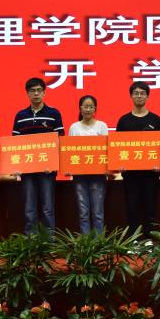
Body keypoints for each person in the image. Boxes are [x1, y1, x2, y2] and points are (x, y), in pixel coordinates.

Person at [11, 77, 64, 234]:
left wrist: (53, 163)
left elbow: (60, 140)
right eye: (32, 91)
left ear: (44, 92)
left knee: (47, 207)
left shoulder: (54, 113)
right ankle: (31, 241)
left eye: (39, 90)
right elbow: (15, 143)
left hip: (47, 169)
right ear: (27, 93)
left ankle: (49, 241)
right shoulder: (20, 115)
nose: (36, 94)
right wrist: (17, 166)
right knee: (29, 208)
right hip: (27, 170)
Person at [116, 82, 160, 242]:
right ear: (131, 96)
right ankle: (133, 240)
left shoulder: (155, 119)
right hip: (130, 174)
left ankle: (149, 240)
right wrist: (120, 163)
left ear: (147, 96)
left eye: (142, 93)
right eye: (136, 93)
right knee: (132, 208)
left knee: (150, 208)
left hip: (151, 174)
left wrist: (159, 163)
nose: (139, 96)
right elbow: (118, 146)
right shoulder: (124, 120)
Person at [67, 95, 109, 235]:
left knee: (98, 212)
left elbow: (106, 149)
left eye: (91, 107)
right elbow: (69, 150)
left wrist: (108, 168)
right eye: (86, 106)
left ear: (95, 109)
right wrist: (68, 168)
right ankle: (86, 243)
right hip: (79, 176)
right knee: (83, 212)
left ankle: (98, 243)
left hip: (98, 175)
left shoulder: (102, 126)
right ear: (80, 108)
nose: (88, 109)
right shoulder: (74, 127)